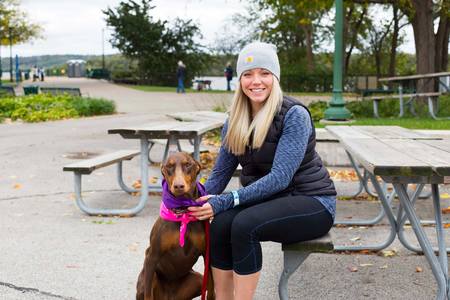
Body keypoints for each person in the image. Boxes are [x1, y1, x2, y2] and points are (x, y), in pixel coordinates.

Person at [188, 42, 336, 299]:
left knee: (244, 224)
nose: (256, 81)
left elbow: (280, 178)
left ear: (275, 77)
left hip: (312, 202)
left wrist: (227, 200)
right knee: (221, 223)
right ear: (240, 80)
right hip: (271, 200)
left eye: (264, 73)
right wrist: (188, 203)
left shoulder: (294, 115)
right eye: (248, 74)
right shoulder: (234, 119)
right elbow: (220, 175)